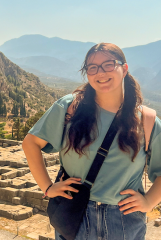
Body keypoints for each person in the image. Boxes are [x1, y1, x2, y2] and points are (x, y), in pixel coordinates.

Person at [22, 43, 161, 240]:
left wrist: (148, 202)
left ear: (125, 68)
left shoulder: (146, 120)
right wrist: (47, 187)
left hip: (123, 219)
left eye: (108, 64)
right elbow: (30, 143)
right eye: (92, 67)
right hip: (76, 214)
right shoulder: (69, 108)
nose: (100, 72)